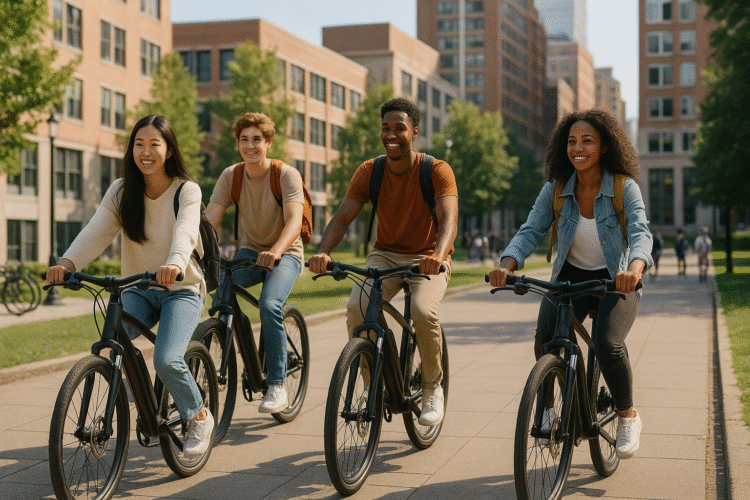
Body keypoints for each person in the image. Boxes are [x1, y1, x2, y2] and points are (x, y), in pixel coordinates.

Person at [488, 109, 653, 459]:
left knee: (608, 346)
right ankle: (550, 409)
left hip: (616, 281)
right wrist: (507, 264)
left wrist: (635, 270)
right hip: (568, 279)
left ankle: (628, 416)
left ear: (605, 146)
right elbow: (530, 230)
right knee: (546, 341)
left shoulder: (625, 188)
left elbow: (640, 234)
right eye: (572, 141)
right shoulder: (556, 189)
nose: (578, 148)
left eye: (587, 141)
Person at [45, 115, 213, 457]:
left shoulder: (187, 189)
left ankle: (198, 414)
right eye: (139, 144)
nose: (145, 151)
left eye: (154, 144)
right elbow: (96, 231)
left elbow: (185, 230)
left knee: (167, 359)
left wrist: (175, 264)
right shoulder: (122, 190)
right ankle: (133, 393)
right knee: (109, 342)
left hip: (181, 290)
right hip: (136, 288)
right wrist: (67, 264)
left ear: (168, 150)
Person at [308, 97, 458, 426]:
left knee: (421, 311)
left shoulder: (436, 170)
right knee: (358, 308)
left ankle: (433, 388)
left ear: (414, 132)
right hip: (385, 253)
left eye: (399, 128)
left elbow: (449, 221)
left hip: (427, 256)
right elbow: (343, 217)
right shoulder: (370, 170)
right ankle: (369, 387)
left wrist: (437, 255)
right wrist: (324, 251)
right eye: (385, 128)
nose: (391, 134)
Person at [203, 112, 304, 414]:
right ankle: (231, 353)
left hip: (286, 252)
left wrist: (275, 250)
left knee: (270, 304)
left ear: (268, 143)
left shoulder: (285, 175)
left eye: (257, 140)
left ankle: (276, 384)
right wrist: (194, 252)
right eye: (244, 140)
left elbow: (294, 221)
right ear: (238, 144)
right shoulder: (231, 176)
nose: (250, 146)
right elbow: (209, 221)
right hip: (250, 251)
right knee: (220, 291)